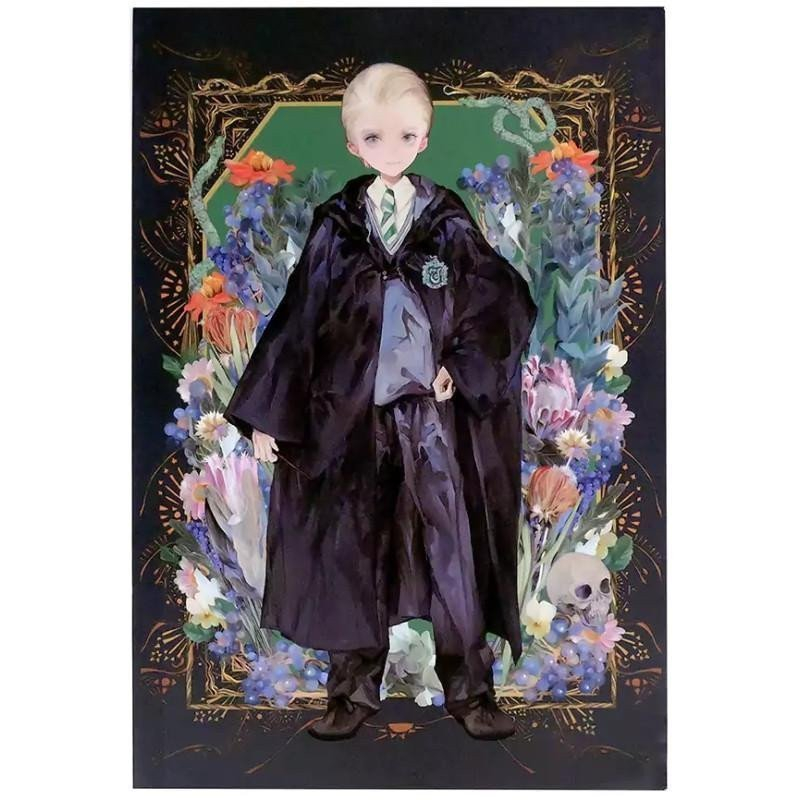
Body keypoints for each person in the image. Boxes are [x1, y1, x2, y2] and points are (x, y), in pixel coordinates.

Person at [222, 62, 538, 740]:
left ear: (424, 139)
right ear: (352, 144)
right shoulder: (336, 225)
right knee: (351, 547)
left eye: (405, 136)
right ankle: (351, 690)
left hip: (429, 415)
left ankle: (470, 688)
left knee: (450, 545)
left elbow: (500, 300)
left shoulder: (446, 221)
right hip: (350, 417)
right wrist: (267, 416)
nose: (390, 150)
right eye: (373, 137)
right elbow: (300, 316)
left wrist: (460, 364)